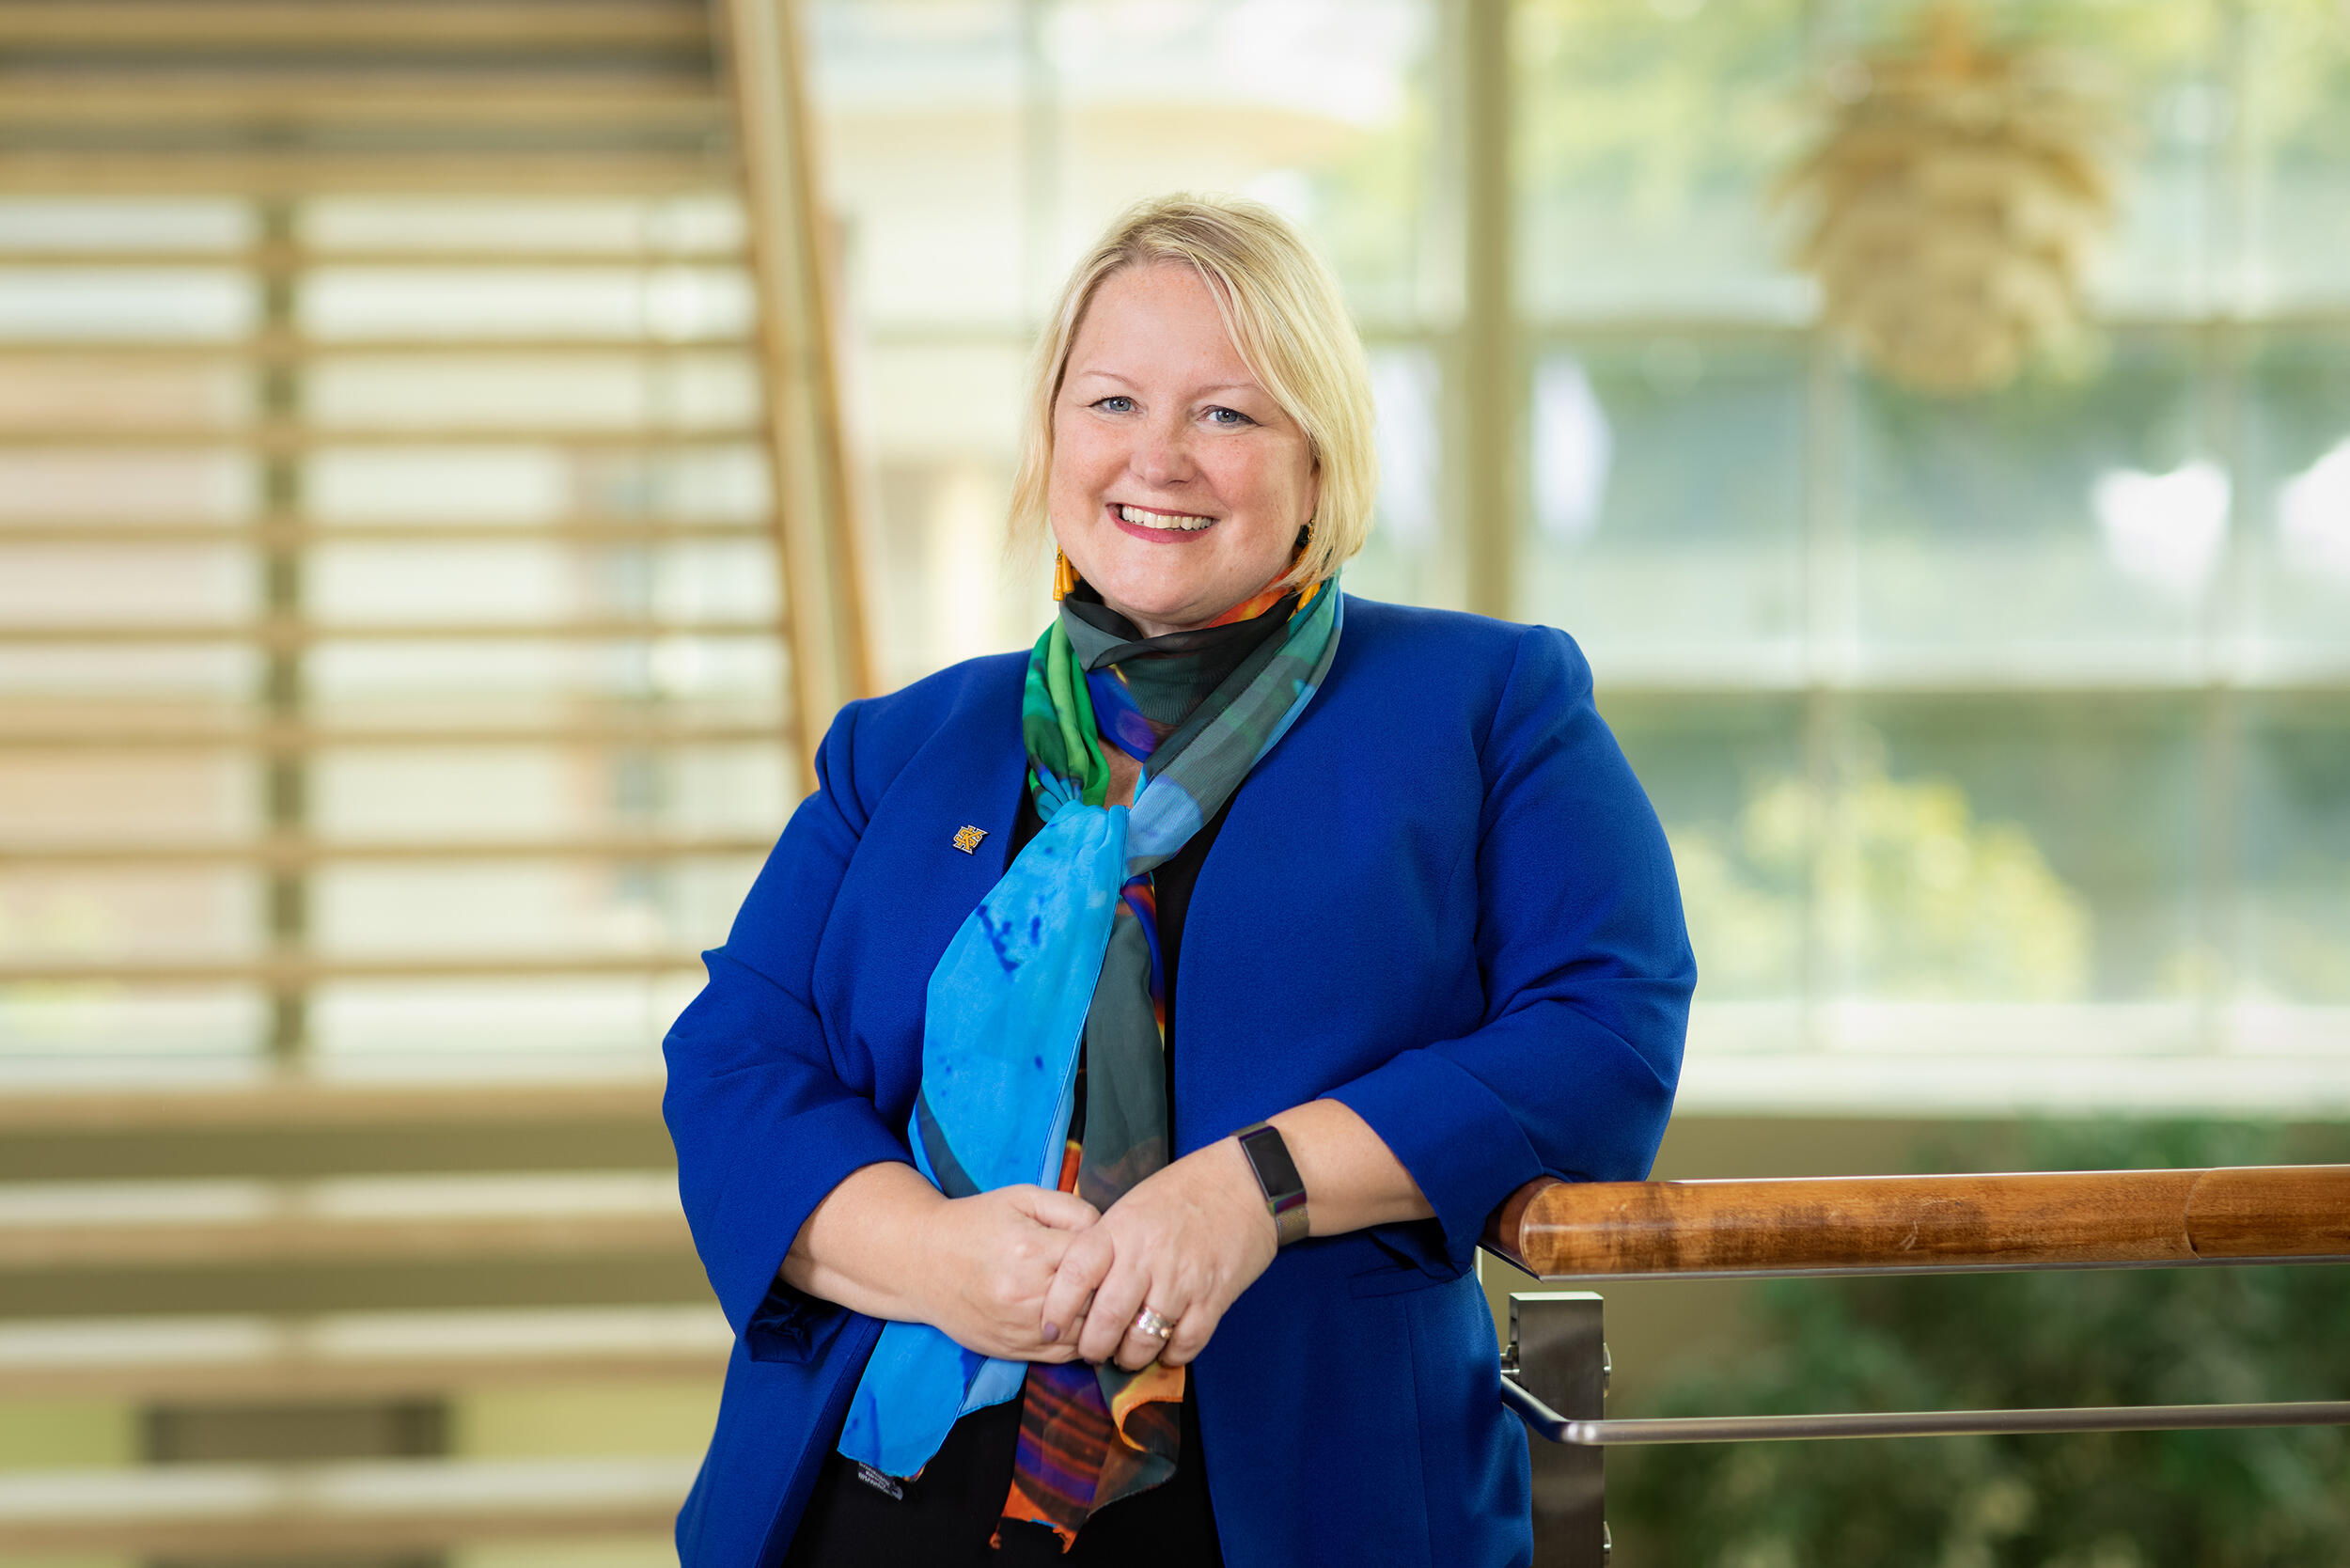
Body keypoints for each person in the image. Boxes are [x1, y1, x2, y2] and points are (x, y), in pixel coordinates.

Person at [663, 193, 1695, 1568]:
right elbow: (734, 1065)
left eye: (1227, 414)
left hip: (1302, 1500)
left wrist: (1252, 1189)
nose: (1160, 458)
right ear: (1052, 440)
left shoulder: (1485, 704)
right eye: (1111, 403)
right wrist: (934, 1258)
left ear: (1319, 465)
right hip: (881, 1503)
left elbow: (1602, 1034)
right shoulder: (900, 747)